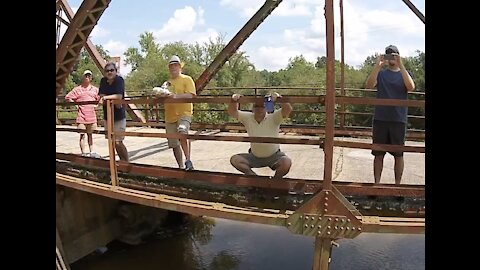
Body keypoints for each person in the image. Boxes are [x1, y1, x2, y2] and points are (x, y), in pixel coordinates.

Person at [365, 45, 415, 184]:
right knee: (378, 154)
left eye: (394, 55)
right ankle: (376, 184)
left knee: (399, 155)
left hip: (398, 119)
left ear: (398, 56)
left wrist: (401, 65)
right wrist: (377, 66)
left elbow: (411, 87)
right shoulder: (381, 74)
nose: (391, 58)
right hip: (381, 118)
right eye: (388, 55)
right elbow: (368, 86)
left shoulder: (405, 73)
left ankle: (397, 186)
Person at [227, 92, 293, 179]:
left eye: (262, 106)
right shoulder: (248, 117)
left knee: (286, 162)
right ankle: (254, 179)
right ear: (253, 109)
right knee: (235, 159)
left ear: (266, 108)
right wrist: (234, 100)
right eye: (256, 106)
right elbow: (232, 112)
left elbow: (288, 110)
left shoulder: (273, 117)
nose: (259, 109)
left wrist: (279, 98)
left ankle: (275, 182)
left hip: (274, 156)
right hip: (255, 157)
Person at [155, 55, 196, 170]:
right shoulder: (167, 83)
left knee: (182, 131)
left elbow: (191, 95)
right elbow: (162, 97)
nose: (173, 68)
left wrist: (175, 96)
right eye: (171, 66)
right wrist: (160, 95)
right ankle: (180, 166)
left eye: (175, 65)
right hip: (170, 115)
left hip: (184, 112)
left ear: (180, 67)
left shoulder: (187, 79)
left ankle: (188, 160)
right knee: (173, 143)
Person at [98, 62, 129, 162]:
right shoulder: (103, 81)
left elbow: (119, 96)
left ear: (116, 71)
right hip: (108, 115)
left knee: (118, 141)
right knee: (112, 141)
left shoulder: (119, 80)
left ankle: (126, 161)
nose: (109, 72)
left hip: (119, 116)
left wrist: (107, 98)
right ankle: (119, 162)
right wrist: (112, 99)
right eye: (107, 71)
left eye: (112, 70)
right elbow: (101, 96)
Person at [65, 70, 100, 157]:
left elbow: (101, 98)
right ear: (83, 77)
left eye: (89, 75)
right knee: (82, 135)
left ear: (91, 78)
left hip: (91, 116)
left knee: (90, 134)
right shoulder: (77, 89)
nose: (87, 77)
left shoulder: (95, 90)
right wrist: (75, 105)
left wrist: (97, 105)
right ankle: (83, 153)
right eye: (86, 75)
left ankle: (92, 152)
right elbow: (68, 97)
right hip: (81, 116)